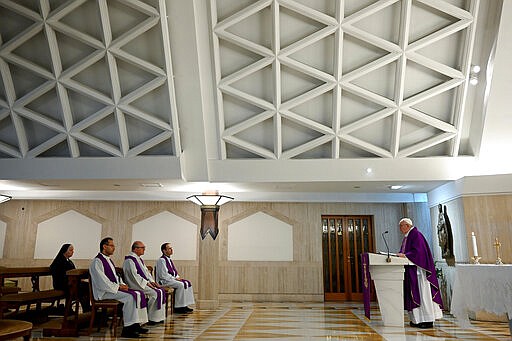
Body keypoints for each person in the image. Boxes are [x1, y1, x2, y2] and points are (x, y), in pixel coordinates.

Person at [89, 237, 149, 338]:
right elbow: (102, 281)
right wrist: (118, 286)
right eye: (111, 245)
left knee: (139, 294)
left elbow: (116, 277)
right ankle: (127, 329)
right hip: (104, 292)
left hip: (112, 289)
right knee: (130, 297)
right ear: (104, 246)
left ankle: (136, 325)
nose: (114, 248)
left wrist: (121, 284)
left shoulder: (108, 260)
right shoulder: (97, 262)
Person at [397, 218, 443, 328]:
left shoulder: (416, 235)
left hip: (420, 272)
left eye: (401, 226)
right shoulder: (408, 236)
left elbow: (419, 252)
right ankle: (416, 319)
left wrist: (406, 255)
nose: (400, 229)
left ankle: (427, 320)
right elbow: (406, 251)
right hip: (412, 270)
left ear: (407, 225)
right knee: (416, 294)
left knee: (423, 294)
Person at [123, 241, 166, 325]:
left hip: (142, 283)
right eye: (142, 248)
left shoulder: (139, 259)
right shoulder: (129, 260)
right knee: (154, 293)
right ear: (135, 249)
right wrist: (147, 283)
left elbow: (146, 273)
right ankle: (151, 318)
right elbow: (134, 276)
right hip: (135, 284)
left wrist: (152, 282)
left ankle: (157, 317)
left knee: (160, 291)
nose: (144, 250)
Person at [50, 243, 91, 312]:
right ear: (64, 250)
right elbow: (57, 273)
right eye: (71, 250)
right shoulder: (58, 260)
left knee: (87, 286)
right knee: (83, 288)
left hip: (70, 283)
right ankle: (85, 309)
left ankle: (87, 308)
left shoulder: (69, 261)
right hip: (61, 284)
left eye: (73, 250)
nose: (73, 252)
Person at [155, 243, 195, 313]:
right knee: (181, 285)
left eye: (171, 248)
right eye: (169, 248)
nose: (171, 250)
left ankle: (184, 305)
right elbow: (163, 275)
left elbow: (173, 272)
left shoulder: (168, 259)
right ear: (164, 251)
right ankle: (178, 307)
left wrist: (177, 277)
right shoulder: (161, 260)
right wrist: (174, 278)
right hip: (163, 281)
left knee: (187, 283)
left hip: (169, 279)